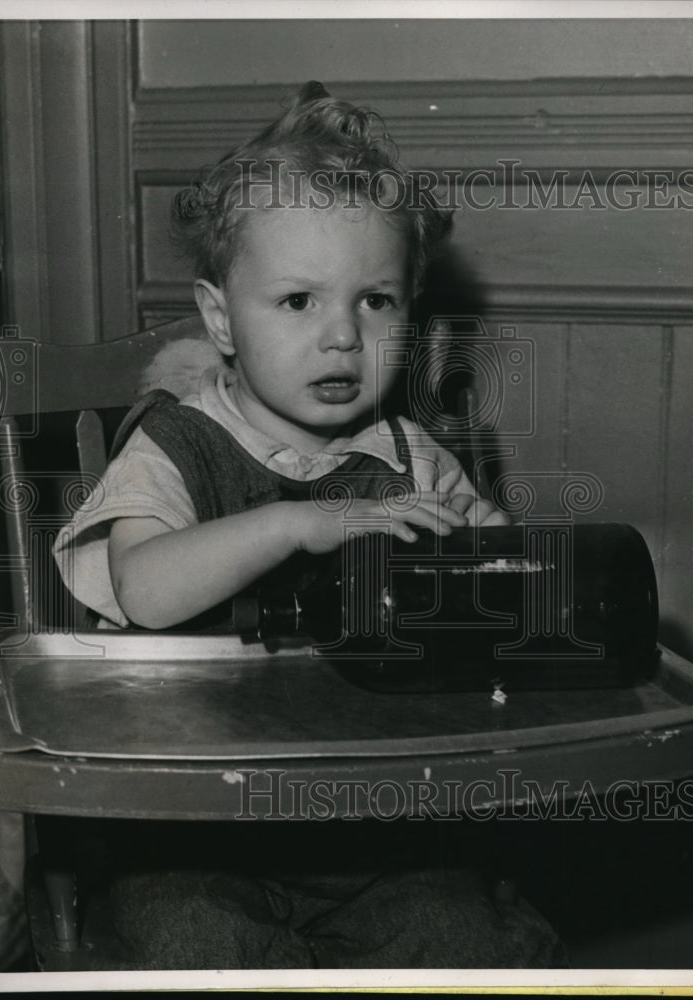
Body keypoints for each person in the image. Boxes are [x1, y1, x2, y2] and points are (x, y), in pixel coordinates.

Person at [53, 82, 565, 970]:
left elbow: (506, 588)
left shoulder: (409, 458)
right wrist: (295, 522)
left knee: (463, 939)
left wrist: (498, 558)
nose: (343, 337)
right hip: (193, 832)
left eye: (377, 301)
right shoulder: (176, 444)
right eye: (298, 301)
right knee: (190, 939)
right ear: (221, 317)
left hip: (378, 824)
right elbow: (144, 588)